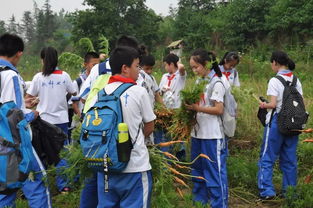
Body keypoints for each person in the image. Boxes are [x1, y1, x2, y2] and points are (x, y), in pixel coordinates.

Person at [89, 46, 155, 208]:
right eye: (137, 66)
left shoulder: (101, 92)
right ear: (125, 68)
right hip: (135, 167)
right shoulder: (138, 91)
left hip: (106, 166)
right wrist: (136, 141)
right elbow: (150, 126)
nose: (139, 70)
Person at [0, 33, 52, 208]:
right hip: (13, 141)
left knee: (5, 186)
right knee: (37, 179)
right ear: (19, 53)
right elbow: (13, 114)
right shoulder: (11, 75)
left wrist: (23, 102)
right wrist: (31, 114)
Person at [26, 46, 76, 193]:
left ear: (43, 60)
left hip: (42, 121)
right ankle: (64, 186)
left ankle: (41, 184)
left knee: (41, 152)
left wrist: (37, 100)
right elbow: (73, 92)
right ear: (56, 59)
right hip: (61, 120)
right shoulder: (64, 76)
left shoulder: (38, 77)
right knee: (62, 153)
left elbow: (28, 98)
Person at [185, 49, 229, 208]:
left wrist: (197, 108)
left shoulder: (217, 82)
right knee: (197, 169)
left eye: (196, 67)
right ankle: (200, 203)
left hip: (212, 135)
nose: (194, 70)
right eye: (192, 67)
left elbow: (219, 109)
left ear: (205, 65)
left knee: (214, 172)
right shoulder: (200, 82)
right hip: (198, 133)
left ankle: (219, 204)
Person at [257, 51, 302, 199]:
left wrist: (264, 105)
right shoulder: (296, 80)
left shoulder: (275, 80)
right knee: (289, 159)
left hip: (276, 123)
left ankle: (267, 191)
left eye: (271, 63)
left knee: (268, 157)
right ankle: (289, 192)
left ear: (275, 62)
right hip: (294, 123)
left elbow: (273, 104)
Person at [156, 53, 186, 156]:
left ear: (171, 64)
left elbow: (182, 68)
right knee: (168, 133)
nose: (165, 67)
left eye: (166, 65)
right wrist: (164, 90)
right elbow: (159, 92)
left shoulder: (180, 76)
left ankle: (180, 157)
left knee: (178, 135)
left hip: (176, 109)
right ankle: (170, 155)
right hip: (166, 110)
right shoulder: (165, 76)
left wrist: (178, 62)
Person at [72, 52, 100, 119]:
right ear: (85, 65)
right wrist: (81, 118)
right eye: (94, 65)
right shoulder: (78, 81)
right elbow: (74, 104)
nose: (97, 67)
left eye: (99, 65)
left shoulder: (100, 80)